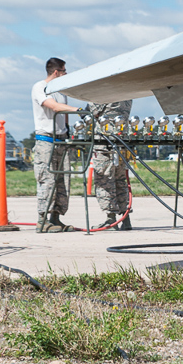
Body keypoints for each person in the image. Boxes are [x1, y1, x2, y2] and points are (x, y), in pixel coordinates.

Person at [31, 57, 80, 233]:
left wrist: (68, 132)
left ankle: (56, 218)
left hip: (61, 140)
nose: (66, 74)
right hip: (46, 141)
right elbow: (54, 107)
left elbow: (62, 113)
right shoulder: (40, 87)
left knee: (62, 181)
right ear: (56, 72)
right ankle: (42, 221)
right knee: (48, 180)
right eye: (64, 71)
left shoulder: (61, 91)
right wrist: (78, 110)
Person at [87, 100, 134, 230]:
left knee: (104, 180)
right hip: (122, 139)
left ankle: (111, 218)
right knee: (120, 180)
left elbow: (93, 110)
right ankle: (126, 218)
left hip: (104, 141)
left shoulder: (105, 90)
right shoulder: (127, 92)